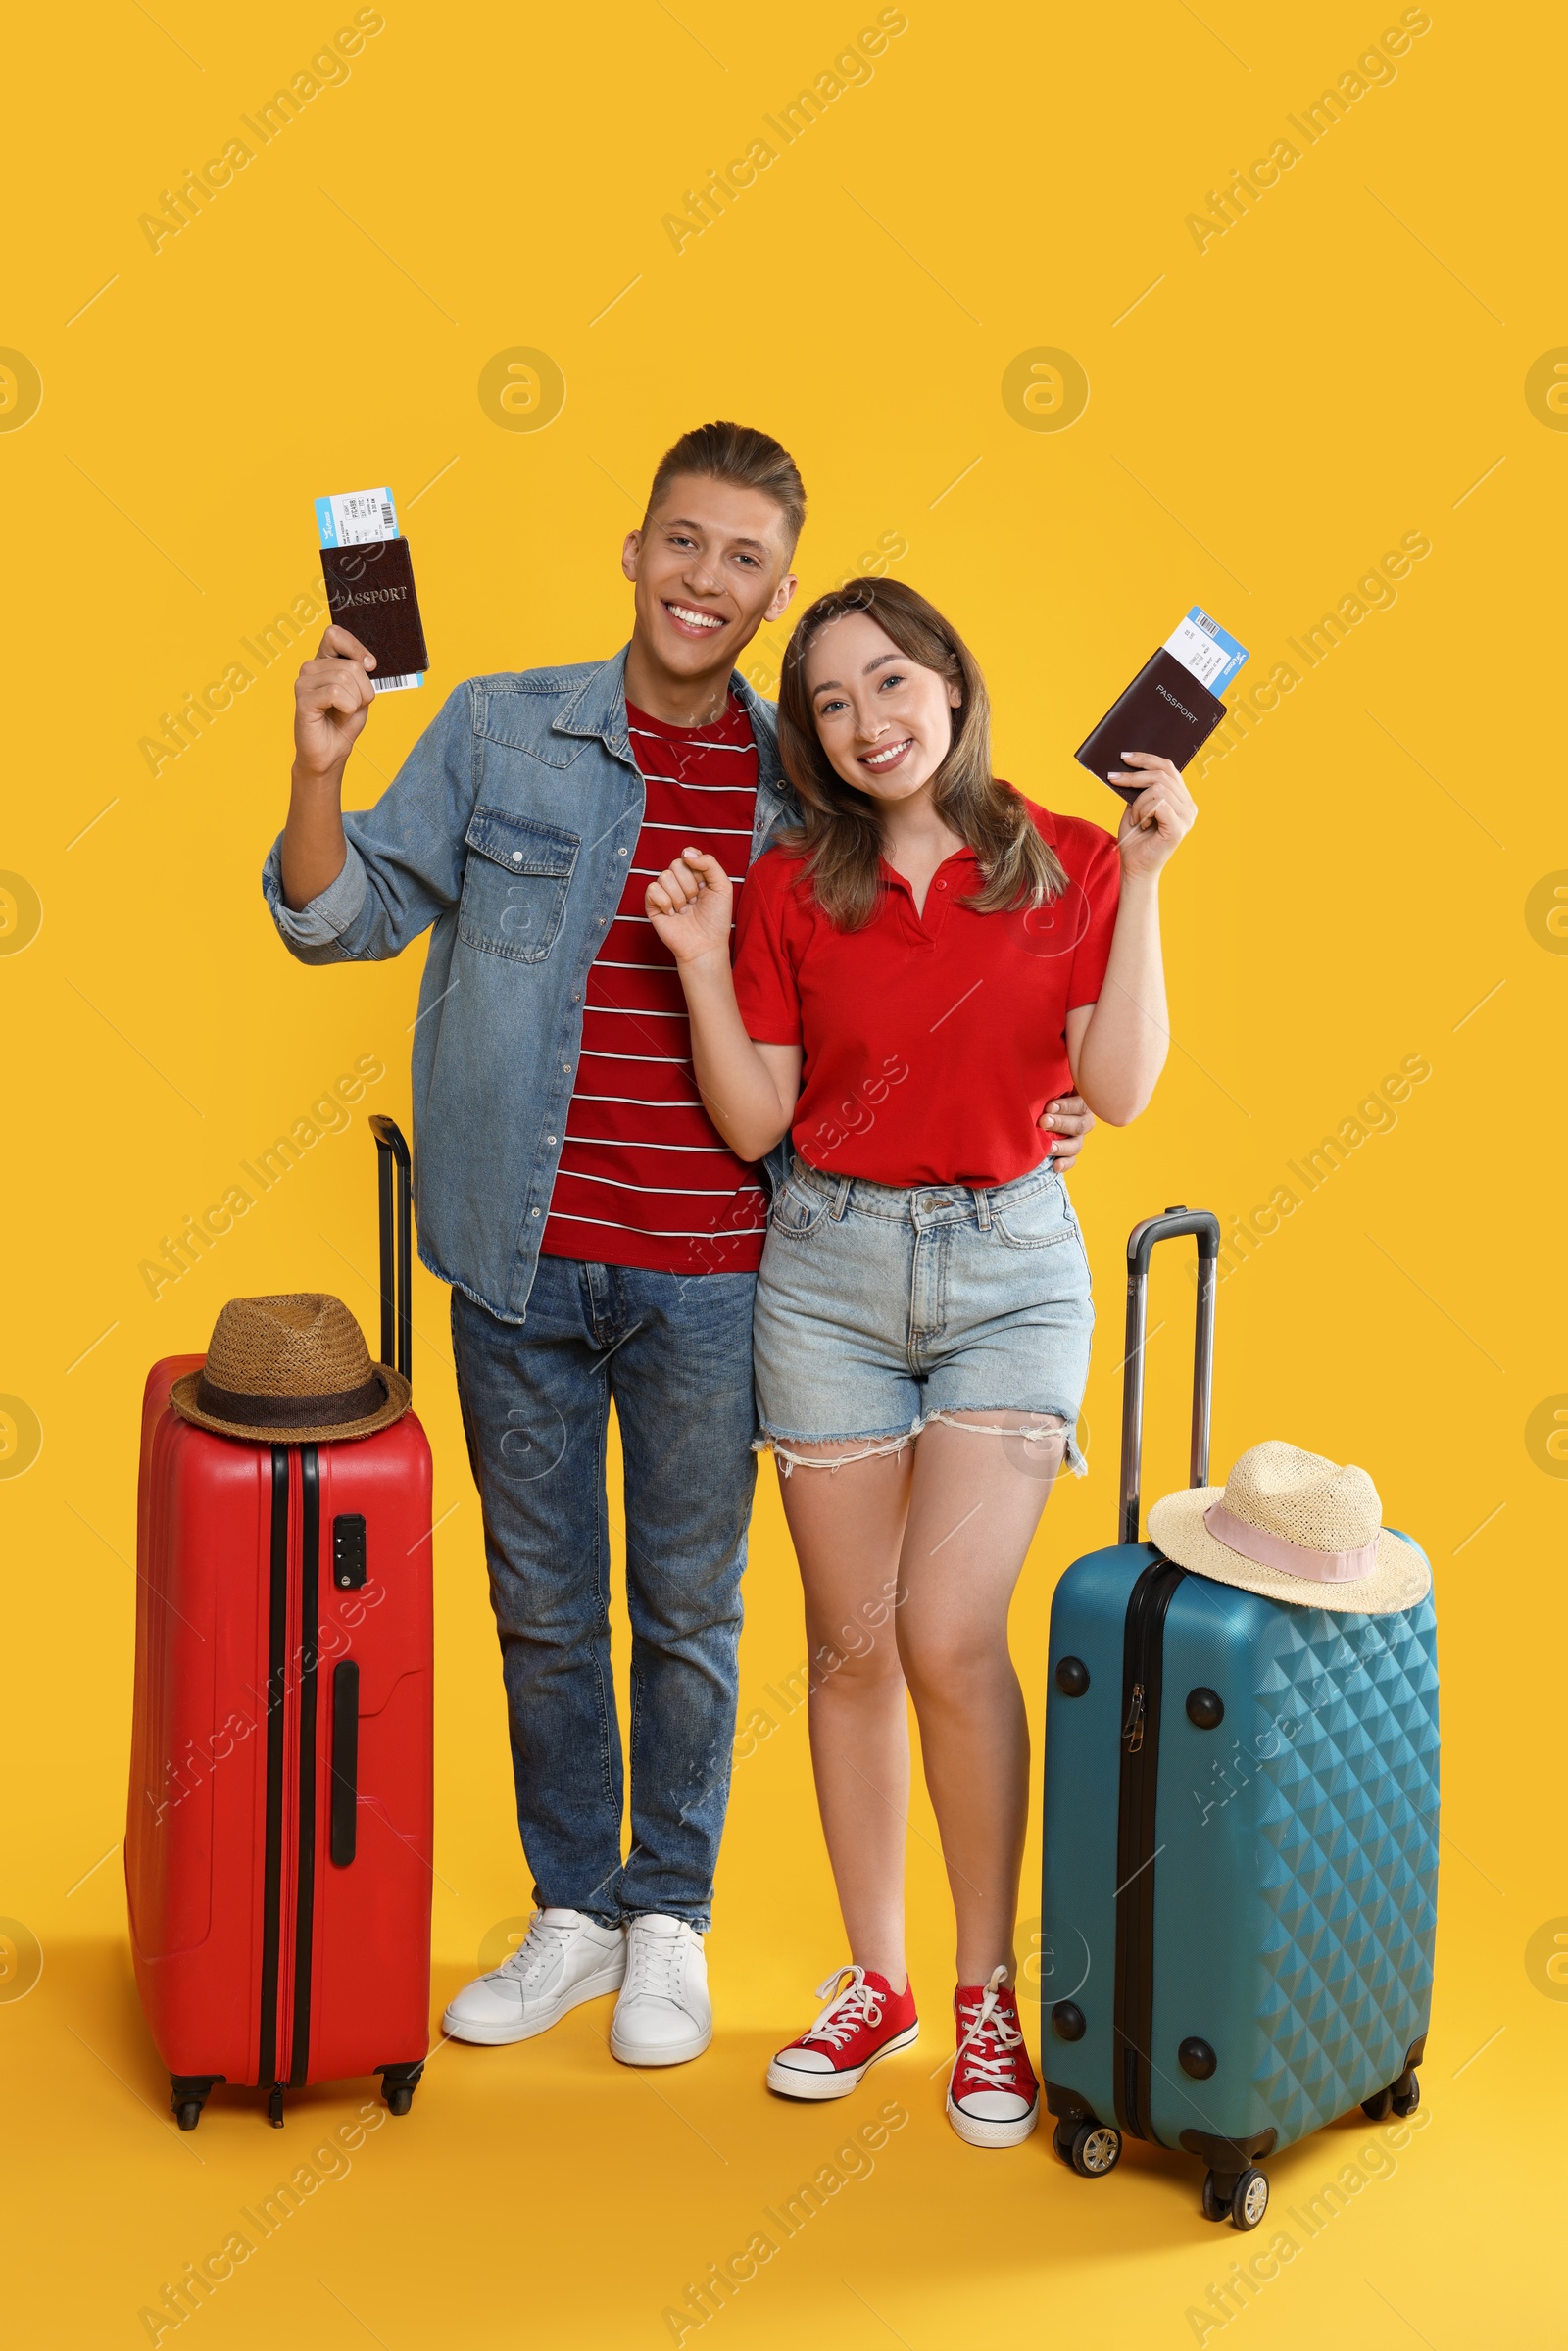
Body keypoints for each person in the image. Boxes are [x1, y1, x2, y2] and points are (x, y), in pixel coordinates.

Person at [264, 427, 1097, 2070]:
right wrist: (319, 764)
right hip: (517, 1252)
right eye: (684, 545)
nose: (707, 583)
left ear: (779, 591)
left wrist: (1045, 1102)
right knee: (545, 1605)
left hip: (728, 1266)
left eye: (743, 563)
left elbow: (933, 972)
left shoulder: (818, 775)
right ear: (632, 551)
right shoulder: (501, 726)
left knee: (692, 1610)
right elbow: (336, 913)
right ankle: (572, 1911)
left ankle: (672, 1923)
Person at [643, 576, 1194, 2138]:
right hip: (823, 1275)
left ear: (952, 684)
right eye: (830, 702)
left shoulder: (1073, 857)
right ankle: (874, 1979)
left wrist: (1148, 877)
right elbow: (759, 1120)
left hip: (1011, 1276)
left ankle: (985, 1998)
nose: (869, 723)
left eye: (891, 684)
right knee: (850, 1643)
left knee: (951, 1636)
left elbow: (1123, 1088)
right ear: (811, 736)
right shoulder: (791, 885)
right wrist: (697, 957)